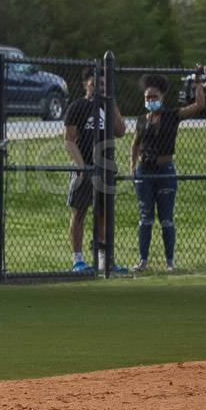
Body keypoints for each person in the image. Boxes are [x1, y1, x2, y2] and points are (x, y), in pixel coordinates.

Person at [130, 67, 205, 271]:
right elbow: (135, 143)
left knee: (166, 218)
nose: (151, 99)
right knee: (145, 217)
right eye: (148, 96)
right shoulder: (141, 120)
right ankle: (143, 261)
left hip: (165, 171)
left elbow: (199, 105)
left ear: (162, 96)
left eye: (154, 96)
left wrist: (198, 80)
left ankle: (170, 262)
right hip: (145, 172)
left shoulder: (172, 115)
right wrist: (133, 165)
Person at [63, 66, 127, 273]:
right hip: (85, 168)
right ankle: (78, 260)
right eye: (95, 84)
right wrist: (81, 167)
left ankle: (104, 260)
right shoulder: (77, 107)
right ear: (85, 85)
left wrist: (112, 101)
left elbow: (121, 131)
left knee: (103, 215)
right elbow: (69, 140)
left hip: (105, 169)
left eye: (103, 85)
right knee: (79, 213)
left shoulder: (107, 108)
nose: (99, 88)